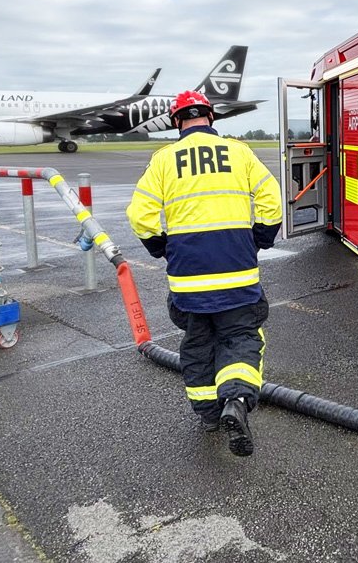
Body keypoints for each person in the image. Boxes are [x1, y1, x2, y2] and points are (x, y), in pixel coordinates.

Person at [126, 90, 282, 457]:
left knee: (197, 344)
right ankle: (236, 401)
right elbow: (272, 200)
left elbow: (139, 215)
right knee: (241, 336)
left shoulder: (164, 159)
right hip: (237, 273)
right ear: (210, 117)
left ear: (176, 121)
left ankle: (209, 415)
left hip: (189, 279)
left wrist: (162, 247)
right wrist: (259, 238)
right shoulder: (239, 152)